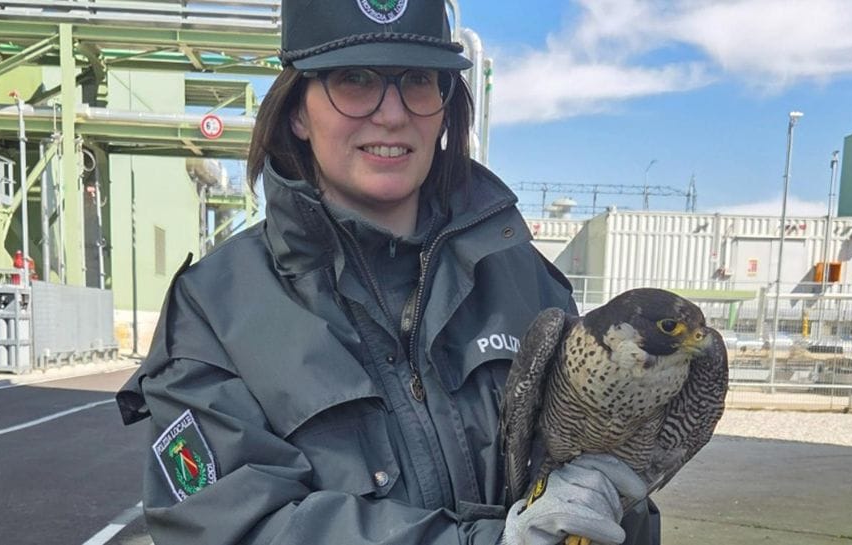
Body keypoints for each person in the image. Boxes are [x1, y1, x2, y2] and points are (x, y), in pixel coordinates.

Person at [116, 1, 660, 544]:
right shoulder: (214, 308)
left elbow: (595, 469)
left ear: (445, 107)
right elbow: (228, 525)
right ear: (298, 112)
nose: (393, 114)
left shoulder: (526, 281)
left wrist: (609, 502)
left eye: (418, 80)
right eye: (355, 79)